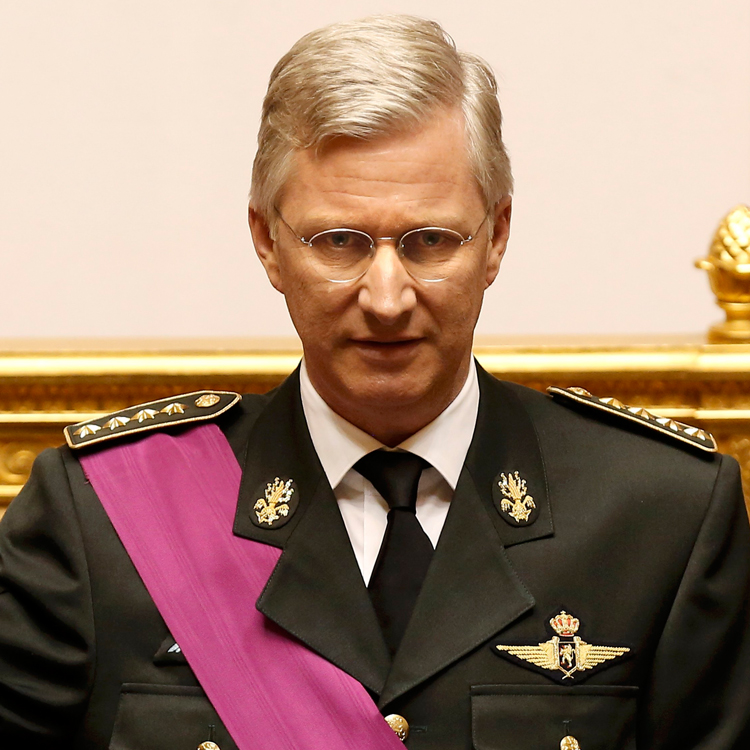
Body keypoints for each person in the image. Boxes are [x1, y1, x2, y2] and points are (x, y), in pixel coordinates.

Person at [1, 14, 749, 750]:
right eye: (339, 243)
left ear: (496, 237)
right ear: (267, 242)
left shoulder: (661, 518)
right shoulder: (99, 519)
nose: (387, 297)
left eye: (430, 241)